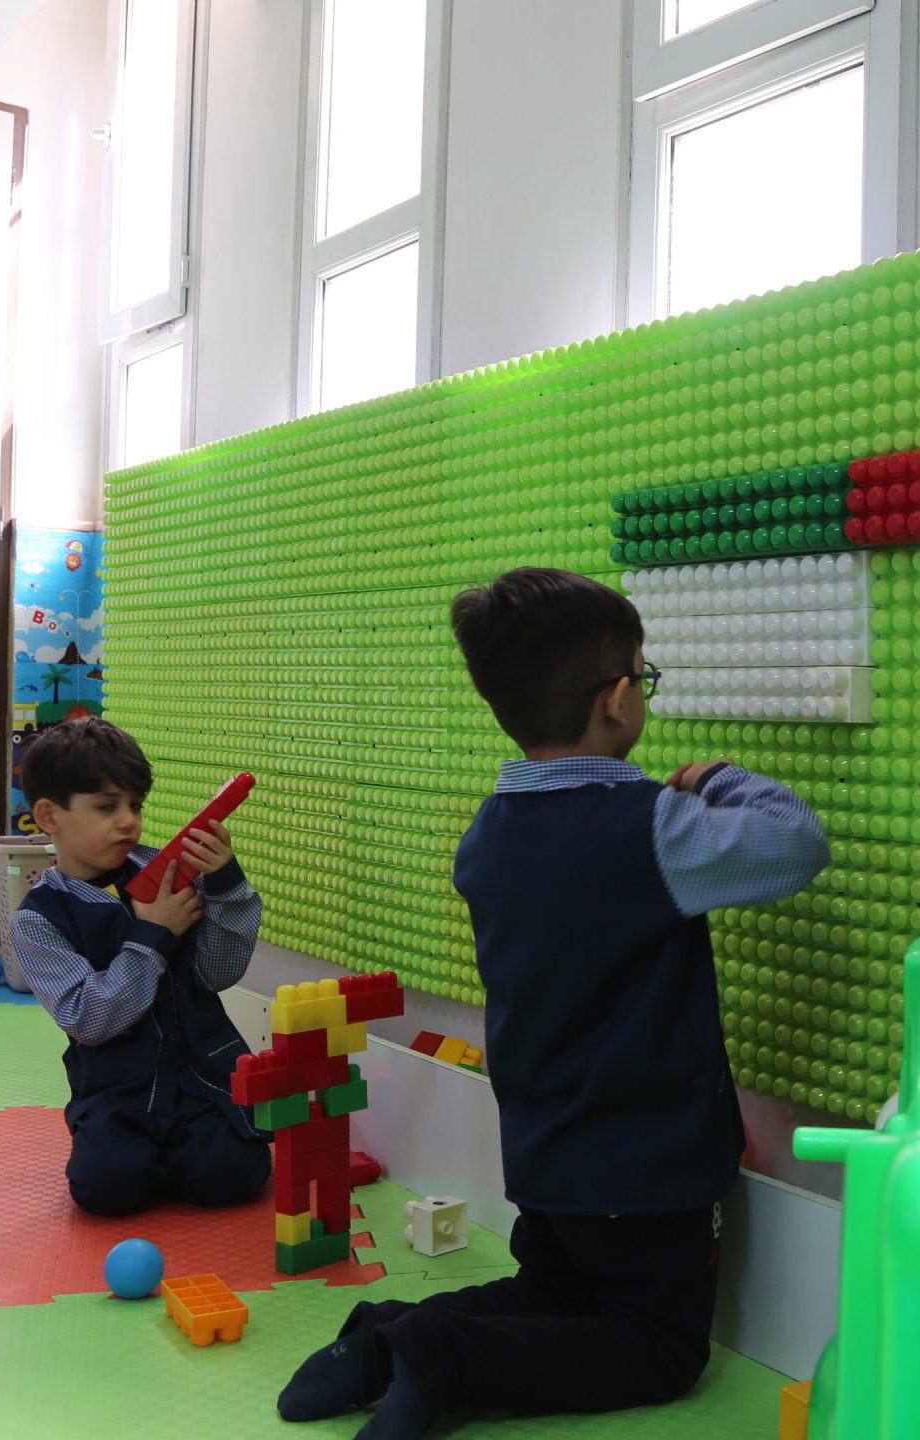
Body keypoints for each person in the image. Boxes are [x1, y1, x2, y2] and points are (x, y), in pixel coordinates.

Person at [280, 568, 830, 1437]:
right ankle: (442, 1359)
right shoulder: (652, 827)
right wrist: (722, 777)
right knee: (660, 1346)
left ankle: (389, 1339)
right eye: (643, 678)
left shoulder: (488, 834)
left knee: (555, 1293)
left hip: (544, 1155)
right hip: (648, 1168)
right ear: (617, 699)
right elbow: (795, 844)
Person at [10, 716, 271, 1217]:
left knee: (233, 1175)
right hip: (116, 1092)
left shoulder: (168, 875)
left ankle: (178, 1155)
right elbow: (89, 1019)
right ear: (49, 816)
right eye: (107, 806)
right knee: (105, 1190)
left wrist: (225, 885)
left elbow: (217, 974)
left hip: (201, 1079)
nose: (129, 821)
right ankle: (147, 1157)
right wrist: (153, 936)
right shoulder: (37, 920)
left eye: (136, 805)